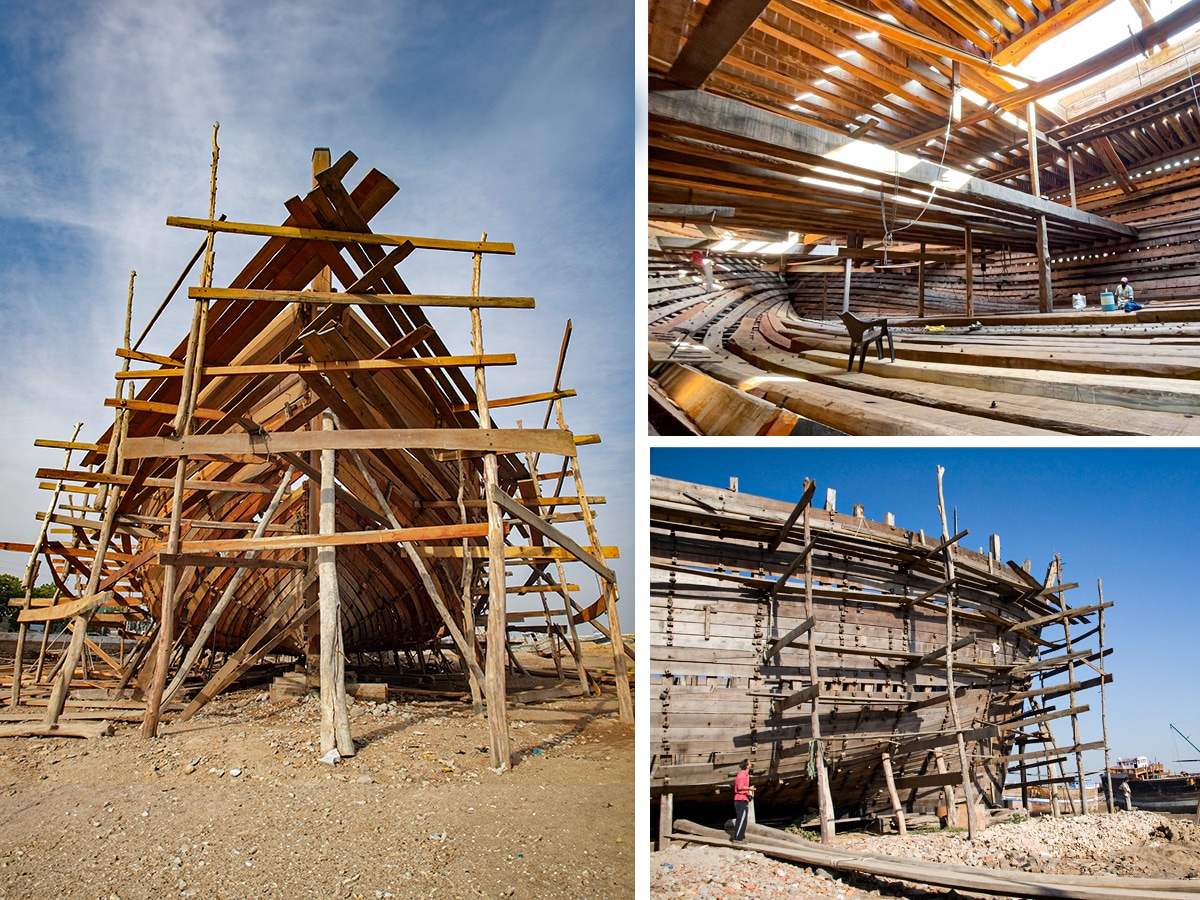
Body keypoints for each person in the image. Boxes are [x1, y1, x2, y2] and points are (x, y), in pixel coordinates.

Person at [731, 760, 753, 842]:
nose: (751, 764)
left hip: (744, 798)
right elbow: (740, 787)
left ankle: (741, 836)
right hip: (740, 799)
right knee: (741, 819)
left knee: (744, 819)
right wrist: (749, 788)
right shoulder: (742, 774)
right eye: (749, 763)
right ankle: (737, 838)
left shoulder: (745, 774)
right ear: (746, 766)